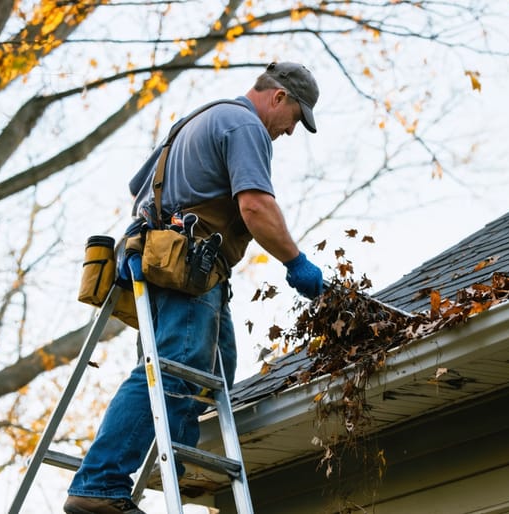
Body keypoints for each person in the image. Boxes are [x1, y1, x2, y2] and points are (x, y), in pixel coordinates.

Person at [64, 62, 325, 514]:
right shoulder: (246, 125)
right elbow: (256, 206)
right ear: (279, 97)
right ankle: (99, 485)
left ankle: (175, 462)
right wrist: (295, 262)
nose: (290, 132)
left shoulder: (195, 120)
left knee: (216, 367)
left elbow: (140, 189)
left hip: (163, 264)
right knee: (175, 368)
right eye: (296, 120)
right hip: (186, 269)